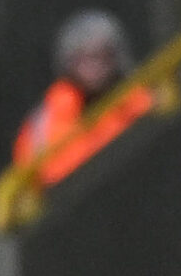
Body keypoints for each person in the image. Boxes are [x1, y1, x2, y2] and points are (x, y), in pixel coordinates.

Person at [11, 10, 154, 190]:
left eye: (102, 54)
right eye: (83, 57)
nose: (94, 65)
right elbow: (25, 178)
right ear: (68, 62)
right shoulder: (43, 122)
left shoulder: (142, 98)